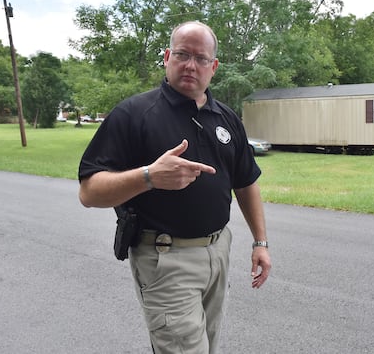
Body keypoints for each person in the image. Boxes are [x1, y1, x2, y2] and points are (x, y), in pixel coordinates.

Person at [78, 21, 271, 354]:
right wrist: (149, 175)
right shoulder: (134, 114)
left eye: (200, 58)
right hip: (165, 258)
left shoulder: (226, 119)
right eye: (182, 54)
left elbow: (246, 181)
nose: (190, 65)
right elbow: (89, 192)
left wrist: (261, 242)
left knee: (207, 345)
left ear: (214, 67)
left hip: (218, 251)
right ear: (167, 57)